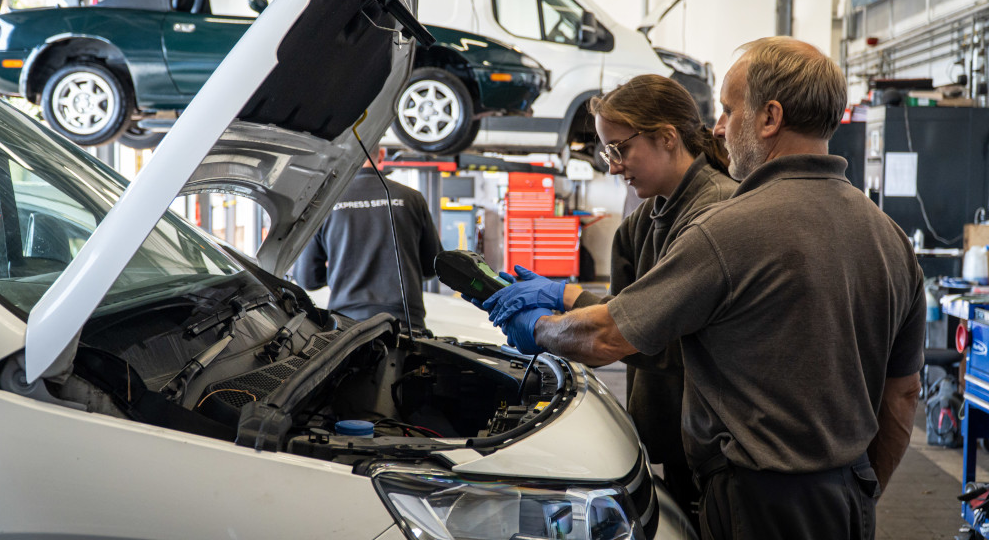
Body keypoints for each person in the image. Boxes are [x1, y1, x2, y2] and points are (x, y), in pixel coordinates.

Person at [482, 37, 924, 540]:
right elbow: (904, 394)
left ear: (769, 117)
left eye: (729, 110)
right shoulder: (892, 239)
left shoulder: (728, 229)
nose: (717, 128)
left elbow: (608, 337)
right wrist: (863, 492)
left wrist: (538, 328)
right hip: (847, 499)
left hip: (757, 505)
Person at [484, 74, 737, 518]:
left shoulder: (715, 214)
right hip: (679, 439)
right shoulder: (645, 220)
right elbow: (627, 312)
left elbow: (634, 337)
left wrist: (549, 320)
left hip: (722, 449)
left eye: (620, 149)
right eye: (608, 152)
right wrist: (566, 297)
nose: (614, 166)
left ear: (666, 137)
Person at [293, 146, 443, 330]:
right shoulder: (411, 198)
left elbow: (308, 278)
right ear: (381, 154)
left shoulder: (326, 202)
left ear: (344, 160)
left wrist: (339, 270)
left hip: (347, 327)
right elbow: (433, 267)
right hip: (405, 323)